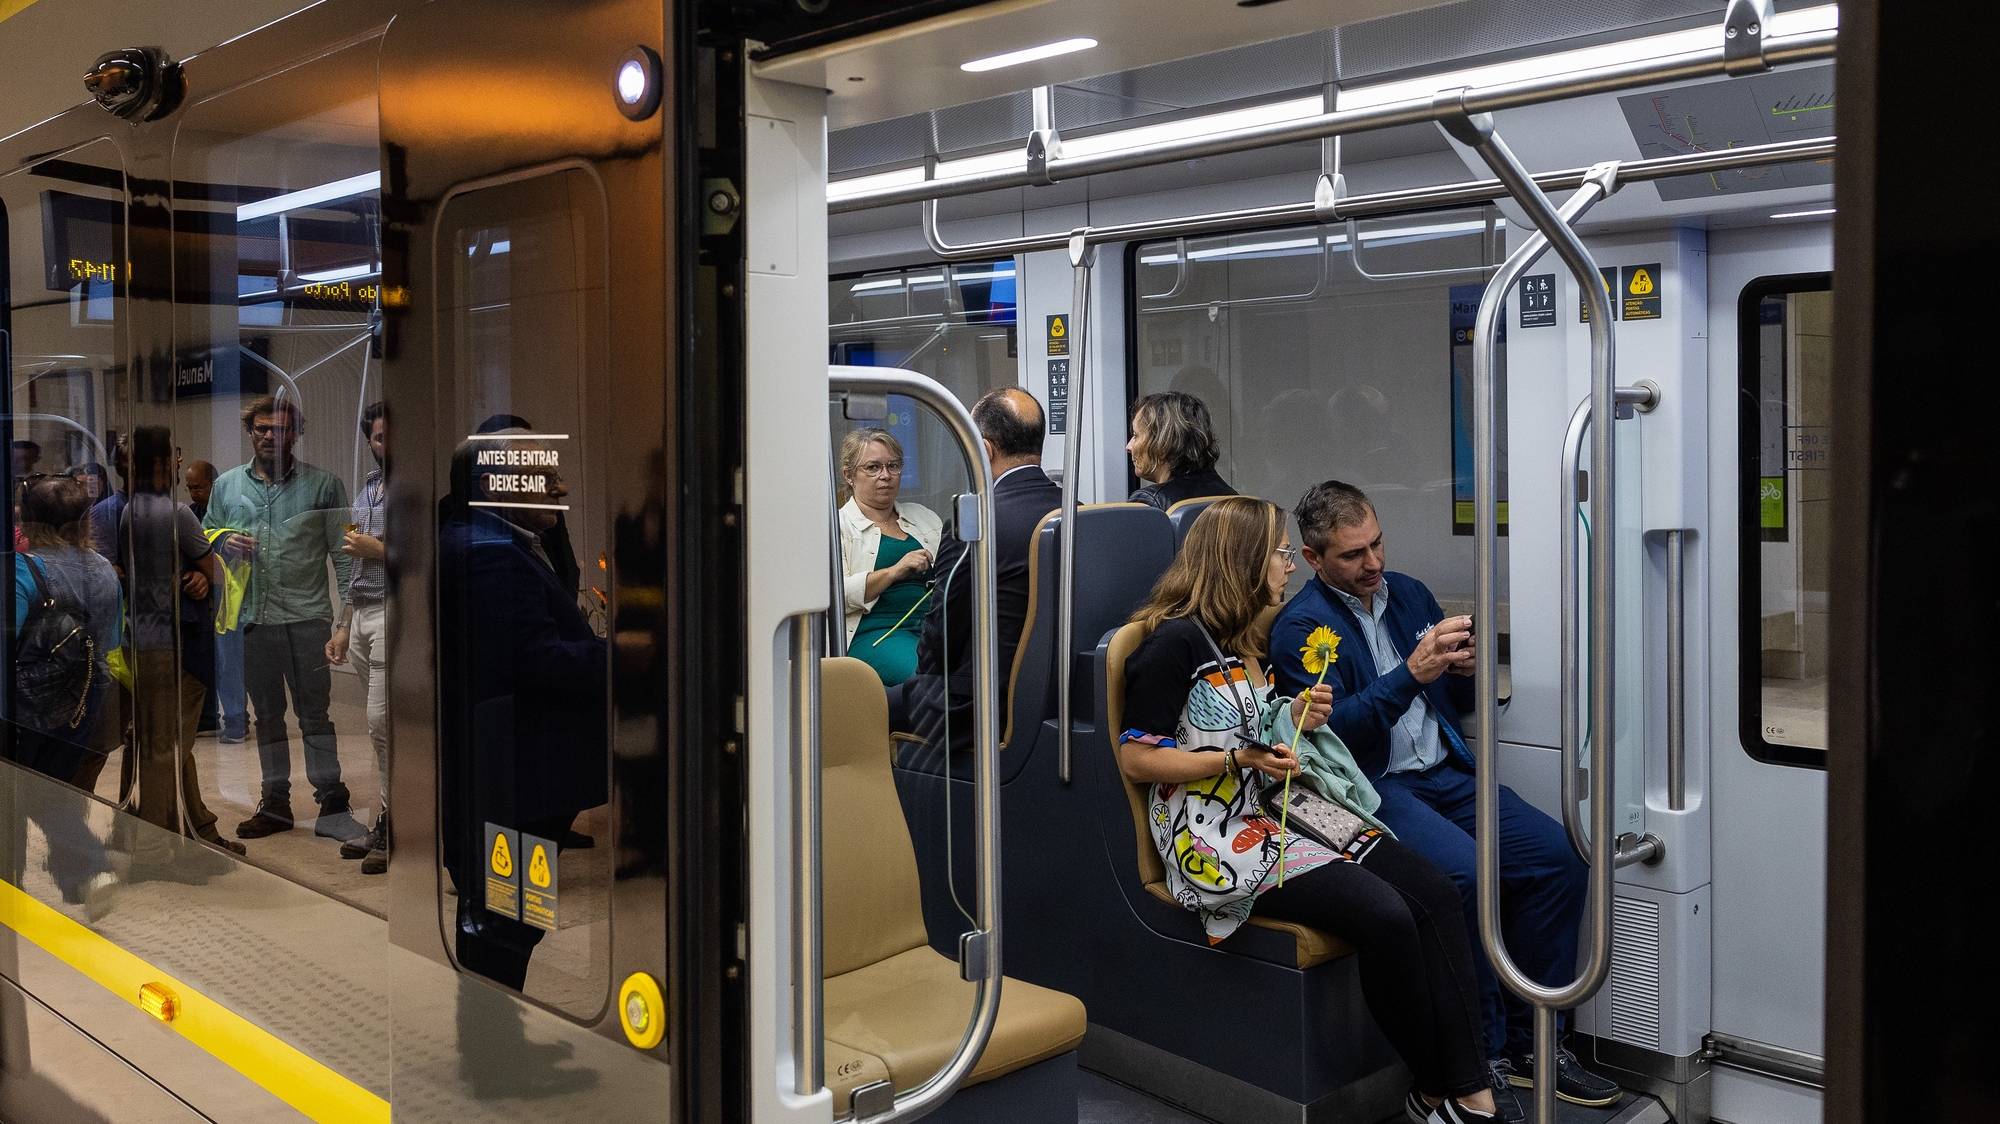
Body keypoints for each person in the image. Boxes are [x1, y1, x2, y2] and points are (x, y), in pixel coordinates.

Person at [1118, 497, 1498, 1123]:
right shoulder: (1174, 645)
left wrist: (1290, 717)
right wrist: (1240, 761)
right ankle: (1442, 1087)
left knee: (1436, 890)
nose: (1288, 565)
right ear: (1242, 562)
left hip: (1282, 806)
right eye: (1279, 552)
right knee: (1386, 914)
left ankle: (1462, 1087)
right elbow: (1138, 758)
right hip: (1216, 835)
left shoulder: (1245, 642)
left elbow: (1249, 722)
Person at [1268, 482, 1619, 1121]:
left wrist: (1464, 671)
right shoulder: (1299, 629)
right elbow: (1332, 739)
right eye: (1352, 556)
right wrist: (1413, 672)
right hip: (1377, 787)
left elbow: (1451, 705)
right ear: (1315, 562)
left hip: (1446, 772)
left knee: (1561, 858)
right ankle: (1480, 1058)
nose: (1373, 563)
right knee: (1464, 875)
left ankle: (1538, 1041)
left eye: (1376, 543)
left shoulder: (1408, 593)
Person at [438, 428, 606, 990]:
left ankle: (497, 1050)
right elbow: (540, 663)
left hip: (511, 766)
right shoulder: (489, 555)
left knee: (509, 915)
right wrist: (624, 655)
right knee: (503, 920)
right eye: (547, 476)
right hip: (516, 771)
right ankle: (496, 1064)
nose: (561, 486)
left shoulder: (492, 540)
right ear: (497, 485)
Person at [202, 396, 362, 843]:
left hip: (308, 620)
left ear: (297, 433)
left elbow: (346, 556)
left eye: (283, 429)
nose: (273, 436)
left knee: (315, 716)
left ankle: (333, 804)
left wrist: (346, 621)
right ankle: (274, 805)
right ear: (250, 432)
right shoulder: (227, 486)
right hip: (252, 621)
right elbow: (206, 534)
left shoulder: (324, 486)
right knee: (268, 717)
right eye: (263, 429)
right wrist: (223, 540)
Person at [903, 387, 1061, 752]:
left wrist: (924, 685)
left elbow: (942, 627)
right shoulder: (1076, 510)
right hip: (1057, 693)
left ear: (984, 449)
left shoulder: (975, 522)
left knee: (864, 706)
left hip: (981, 705)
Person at [118, 426, 246, 862]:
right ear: (159, 464)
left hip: (141, 642)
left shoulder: (128, 511)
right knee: (169, 750)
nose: (177, 465)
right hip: (176, 647)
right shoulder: (176, 514)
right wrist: (200, 572)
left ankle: (199, 829)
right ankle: (155, 849)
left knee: (168, 743)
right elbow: (213, 572)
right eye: (172, 457)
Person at [9, 474, 122, 917]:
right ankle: (83, 879)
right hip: (85, 697)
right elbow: (111, 638)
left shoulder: (22, 570)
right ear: (82, 521)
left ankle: (20, 885)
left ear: (27, 520)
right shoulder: (102, 568)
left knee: (18, 794)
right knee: (51, 788)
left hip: (27, 701)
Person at [327, 402, 390, 874]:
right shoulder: (368, 490)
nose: (384, 445)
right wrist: (344, 622)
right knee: (381, 736)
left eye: (391, 436)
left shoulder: (416, 489)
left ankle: (394, 825)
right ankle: (387, 820)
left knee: (381, 725)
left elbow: (430, 554)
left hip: (396, 609)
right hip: (364, 609)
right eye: (377, 437)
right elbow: (354, 562)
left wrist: (381, 549)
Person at [837, 427, 942, 687]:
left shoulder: (923, 516)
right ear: (849, 475)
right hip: (875, 635)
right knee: (930, 679)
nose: (885, 476)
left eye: (892, 466)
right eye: (873, 468)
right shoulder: (837, 526)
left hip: (935, 630)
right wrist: (895, 571)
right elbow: (833, 595)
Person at [1126, 390, 1235, 510]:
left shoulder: (1151, 501)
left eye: (1136, 435)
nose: (1129, 447)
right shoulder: (1236, 501)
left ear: (1163, 443)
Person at [183, 459, 226, 737]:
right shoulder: (189, 513)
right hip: (199, 597)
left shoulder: (224, 512)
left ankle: (215, 715)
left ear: (214, 484)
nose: (193, 493)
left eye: (199, 487)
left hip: (225, 594)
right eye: (189, 488)